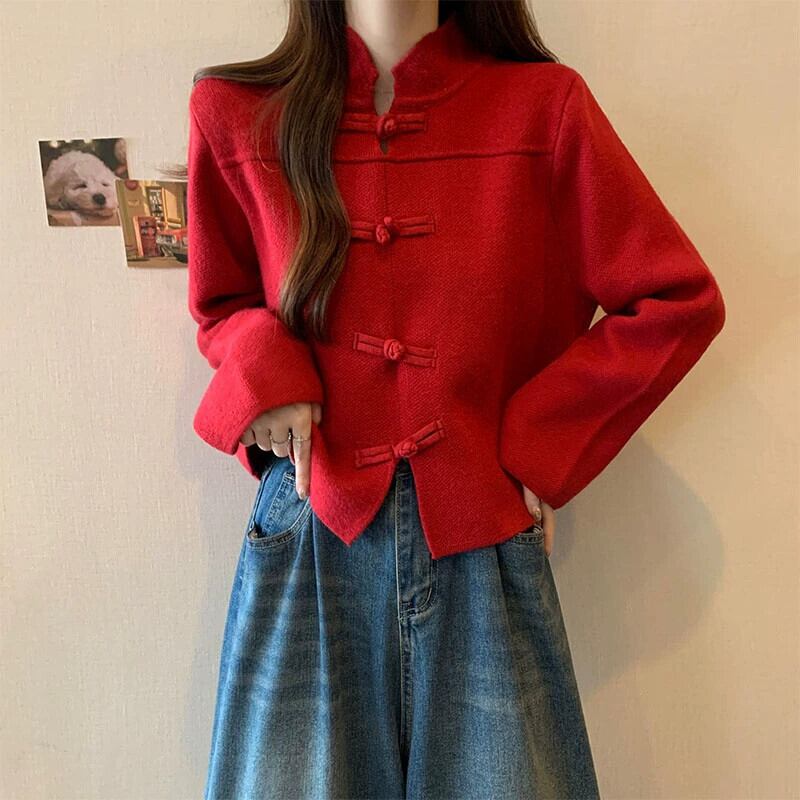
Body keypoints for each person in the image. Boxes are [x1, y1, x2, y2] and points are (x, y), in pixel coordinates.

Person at [185, 1, 726, 798]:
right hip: (312, 525)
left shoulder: (544, 108)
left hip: (481, 529)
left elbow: (676, 300)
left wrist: (539, 447)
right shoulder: (237, 113)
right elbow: (221, 303)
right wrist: (265, 373)